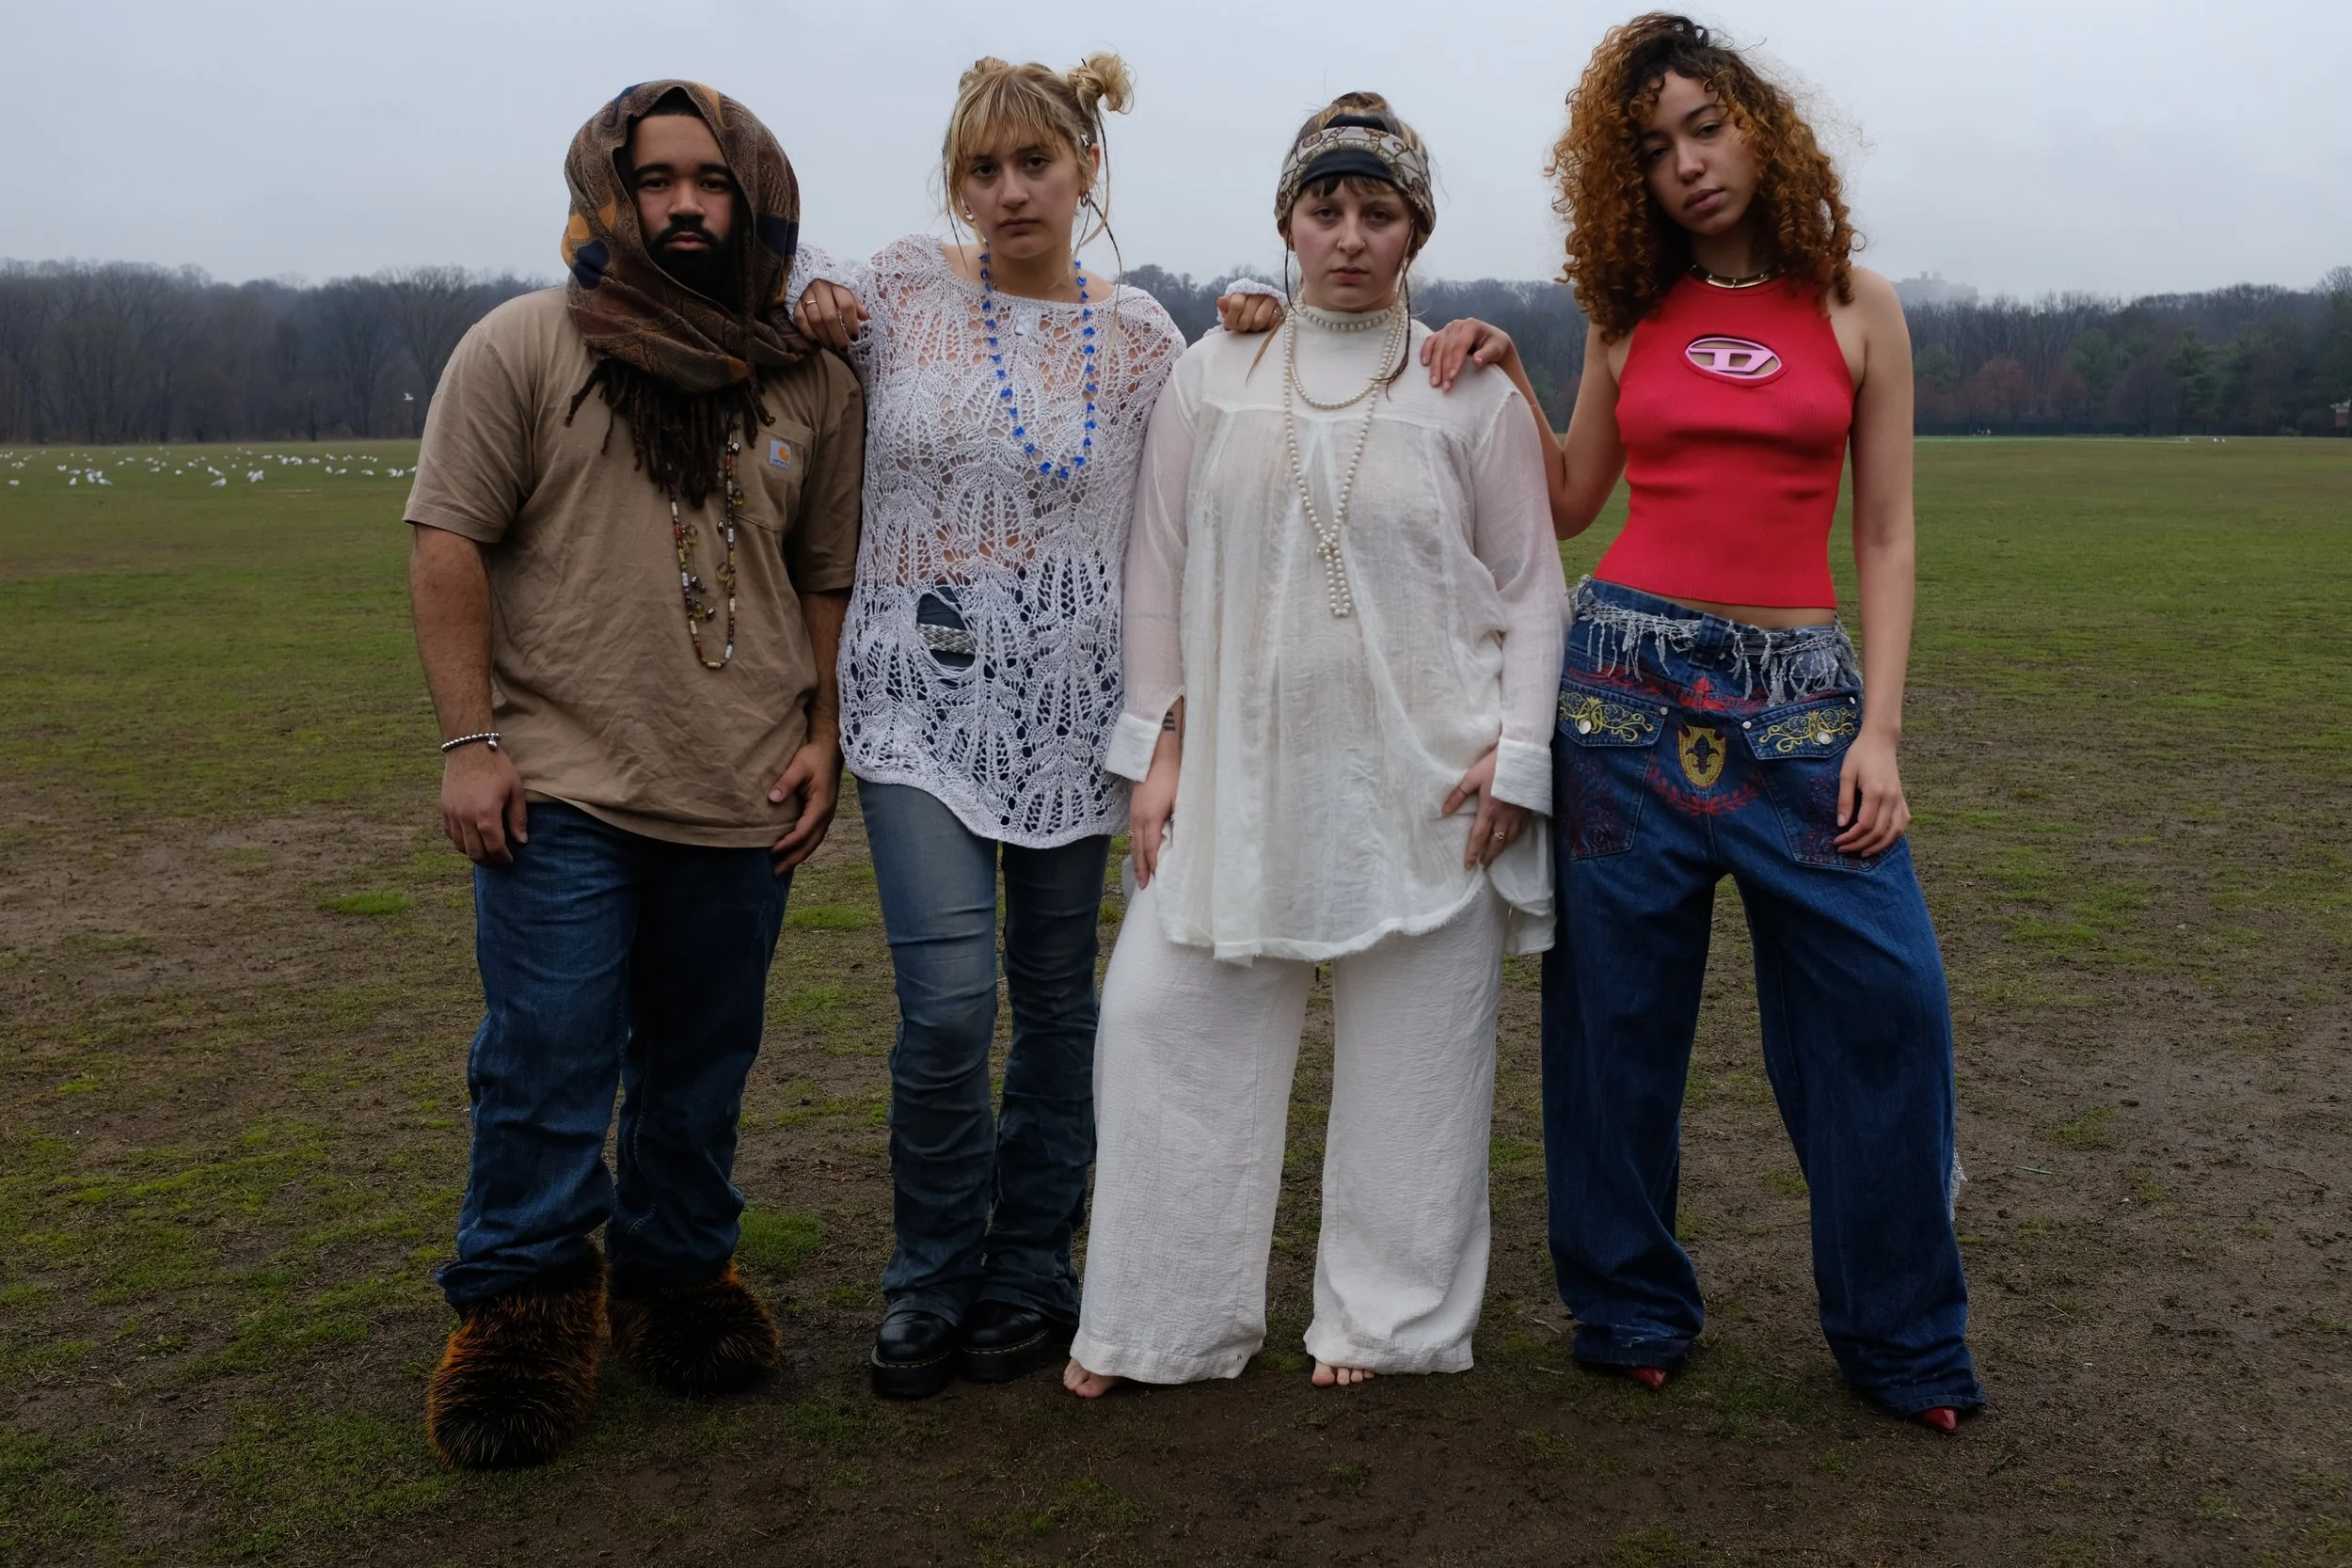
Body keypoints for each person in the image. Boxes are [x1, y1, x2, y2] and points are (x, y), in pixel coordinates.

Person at [1425, 12, 1982, 1430]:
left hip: (1804, 720)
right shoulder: (1630, 310)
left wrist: (1885, 733)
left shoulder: (1859, 303)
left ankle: (1903, 1340)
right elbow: (1565, 502)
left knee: (1891, 1009)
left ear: (1758, 124)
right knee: (1614, 1029)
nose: (1687, 164)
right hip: (1622, 699)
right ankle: (1628, 1306)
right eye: (1655, 147)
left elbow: (1891, 532)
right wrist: (1495, 372)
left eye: (1705, 127)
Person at [788, 56, 1283, 1399]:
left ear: (1086, 172)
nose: (1009, 193)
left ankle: (1030, 1264)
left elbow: (1216, 456)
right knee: (948, 1008)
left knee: (1061, 1008)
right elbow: (786, 270)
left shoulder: (1142, 340)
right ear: (957, 182)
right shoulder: (898, 290)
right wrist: (806, 277)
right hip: (913, 704)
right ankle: (929, 1272)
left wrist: (1260, 304)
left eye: (1035, 166)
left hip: (1078, 717)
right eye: (982, 170)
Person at [1063, 93, 1565, 1398]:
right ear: (1287, 220)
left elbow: (1530, 587)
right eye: (1325, 207)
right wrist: (1158, 754)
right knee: (1160, 1026)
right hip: (1235, 781)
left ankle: (1388, 1320)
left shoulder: (1470, 389)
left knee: (1419, 1072)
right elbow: (1156, 577)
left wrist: (1516, 758)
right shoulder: (1210, 371)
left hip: (1431, 785)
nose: (1349, 235)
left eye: (1377, 212)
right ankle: (1156, 1317)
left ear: (1414, 231)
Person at [405, 81, 862, 1468]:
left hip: (740, 785)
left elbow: (827, 575)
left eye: (710, 183)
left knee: (701, 1065)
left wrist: (824, 732)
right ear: (612, 190)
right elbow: (445, 541)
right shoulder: (524, 346)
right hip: (561, 783)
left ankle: (677, 1278)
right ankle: (522, 1315)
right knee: (544, 1060)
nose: (682, 205)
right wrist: (470, 740)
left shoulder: (808, 376)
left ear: (752, 198)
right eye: (656, 179)